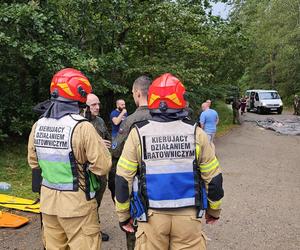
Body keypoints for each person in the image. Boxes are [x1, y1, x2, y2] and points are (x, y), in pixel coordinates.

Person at [115, 73, 224, 250]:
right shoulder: (196, 133)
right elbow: (214, 179)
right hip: (188, 218)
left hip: (151, 218)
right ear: (181, 99)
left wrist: (123, 215)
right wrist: (214, 211)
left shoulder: (138, 133)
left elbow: (122, 179)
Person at [28, 68, 112, 250]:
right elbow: (103, 166)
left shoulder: (38, 125)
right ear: (80, 94)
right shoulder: (83, 127)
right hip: (77, 206)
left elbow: (33, 162)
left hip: (49, 205)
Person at [111, 75, 152, 250]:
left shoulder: (130, 121)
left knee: (134, 232)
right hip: (161, 188)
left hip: (137, 187)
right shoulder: (165, 117)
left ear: (137, 93)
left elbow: (116, 151)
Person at [85, 93, 111, 242]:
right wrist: (97, 142)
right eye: (93, 104)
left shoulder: (100, 121)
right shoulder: (79, 122)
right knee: (87, 202)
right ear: (85, 106)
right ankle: (90, 231)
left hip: (100, 171)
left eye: (98, 104)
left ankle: (96, 229)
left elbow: (107, 138)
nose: (97, 107)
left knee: (97, 201)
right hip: (86, 171)